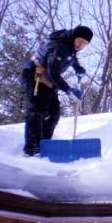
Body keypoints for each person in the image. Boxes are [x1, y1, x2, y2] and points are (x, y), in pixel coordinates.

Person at [21, 25, 93, 156]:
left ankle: (44, 144)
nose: (80, 45)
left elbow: (72, 56)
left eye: (85, 44)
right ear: (74, 36)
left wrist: (77, 67)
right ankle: (33, 149)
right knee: (37, 111)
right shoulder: (58, 47)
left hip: (48, 80)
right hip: (34, 75)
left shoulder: (69, 45)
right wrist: (69, 90)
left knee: (54, 114)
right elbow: (53, 72)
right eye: (80, 41)